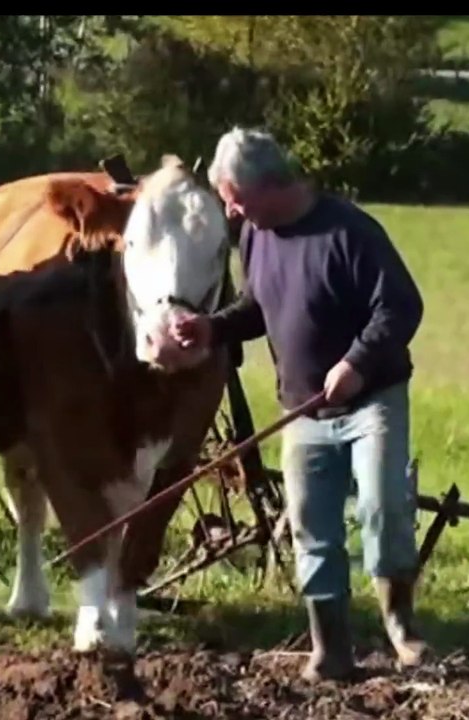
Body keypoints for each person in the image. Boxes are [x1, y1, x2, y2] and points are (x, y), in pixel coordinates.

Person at [173, 126, 427, 681]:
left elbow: (401, 306)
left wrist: (355, 365)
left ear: (269, 185)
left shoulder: (349, 231)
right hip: (304, 411)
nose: (230, 210)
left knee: (382, 508)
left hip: (371, 402)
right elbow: (258, 305)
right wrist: (212, 329)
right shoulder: (255, 237)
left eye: (234, 197)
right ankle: (330, 650)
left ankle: (401, 628)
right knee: (313, 528)